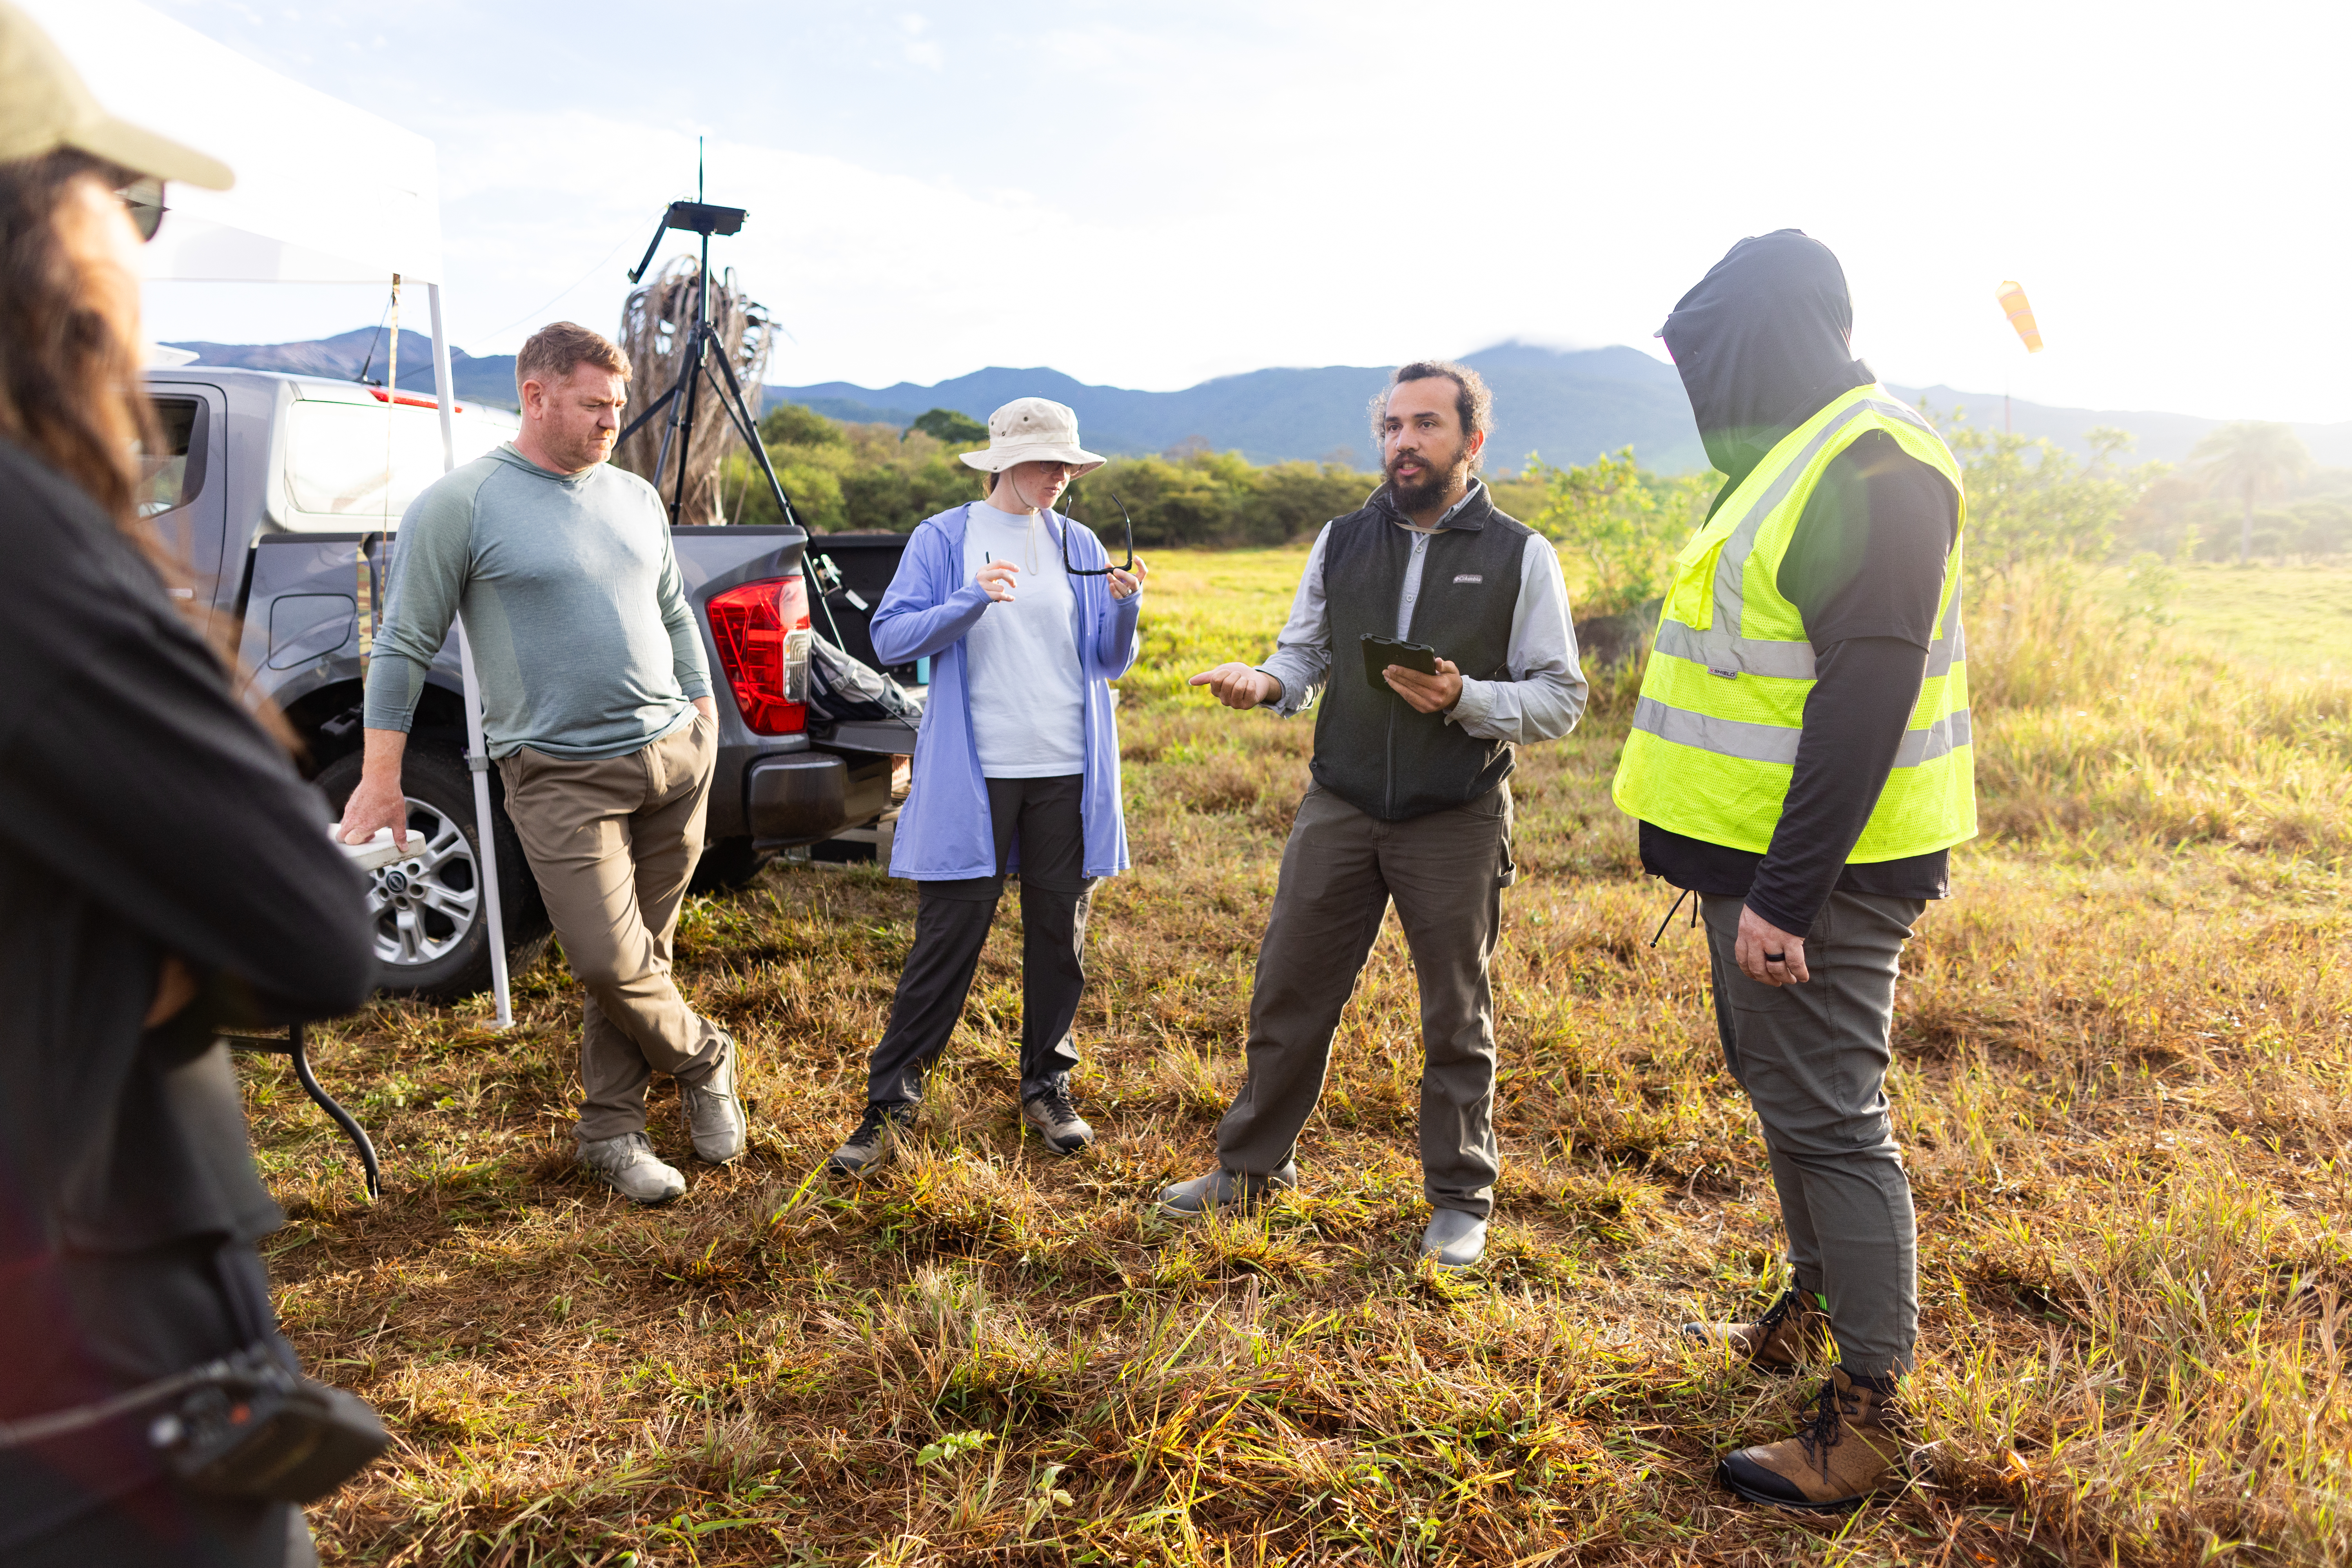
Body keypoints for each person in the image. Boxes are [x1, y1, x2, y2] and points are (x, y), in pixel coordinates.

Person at [0, 7, 379, 1561]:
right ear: (48, 232)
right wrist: (134, 962)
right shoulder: (29, 544)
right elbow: (311, 927)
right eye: (127, 206)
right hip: (92, 1355)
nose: (139, 254)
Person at [1614, 230, 1972, 1511]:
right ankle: (1815, 1303)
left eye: (1718, 361)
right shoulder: (1796, 459)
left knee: (1833, 1118)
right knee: (1788, 1098)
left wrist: (1788, 891)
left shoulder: (1872, 467)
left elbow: (1868, 692)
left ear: (1771, 342)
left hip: (1815, 878)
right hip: (1758, 868)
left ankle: (1867, 1419)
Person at [1166, 361, 1586, 1269]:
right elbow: (1304, 648)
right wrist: (1268, 681)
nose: (1405, 441)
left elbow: (1560, 699)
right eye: (1393, 425)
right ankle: (1247, 1170)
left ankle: (1459, 1198)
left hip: (1456, 812)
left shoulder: (1522, 553)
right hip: (1341, 802)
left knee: (1455, 1012)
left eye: (1427, 424)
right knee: (1289, 988)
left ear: (1472, 442)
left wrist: (1465, 696)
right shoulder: (1343, 538)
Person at [336, 321, 745, 1205]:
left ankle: (610, 1131)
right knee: (606, 959)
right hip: (561, 772)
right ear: (537, 393)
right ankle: (707, 1055)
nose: (612, 420)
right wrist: (381, 775)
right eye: (596, 403)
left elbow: (674, 607)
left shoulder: (633, 495)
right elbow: (402, 643)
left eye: (619, 405)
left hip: (676, 757)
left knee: (645, 954)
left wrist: (703, 710)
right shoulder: (464, 502)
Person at [826, 397, 1146, 1176]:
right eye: (1047, 461)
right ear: (1003, 463)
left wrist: (1125, 611)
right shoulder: (946, 537)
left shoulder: (1079, 540)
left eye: (1070, 463)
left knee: (1058, 934)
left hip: (1067, 763)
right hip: (980, 769)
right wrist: (970, 597)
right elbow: (891, 637)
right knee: (948, 939)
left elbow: (1106, 660)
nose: (1062, 476)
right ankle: (890, 1104)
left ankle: (1047, 1086)